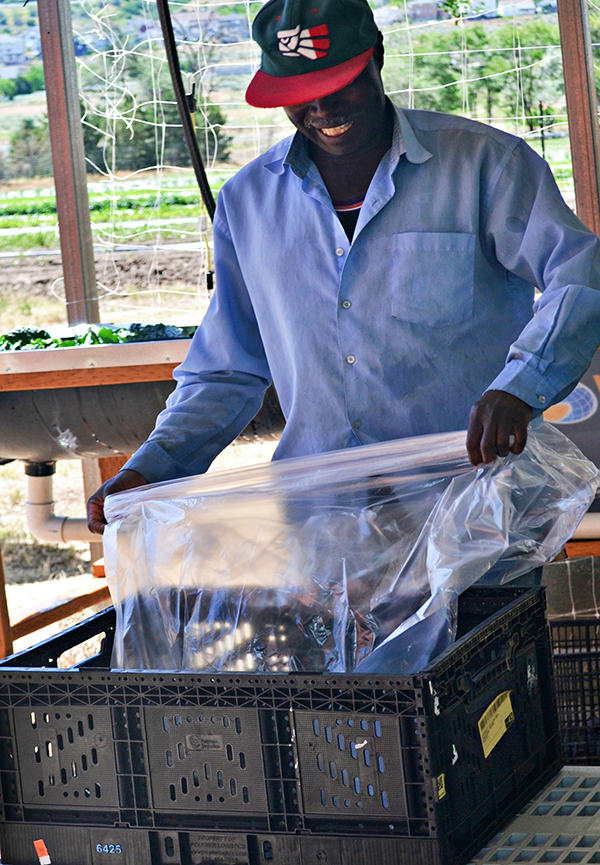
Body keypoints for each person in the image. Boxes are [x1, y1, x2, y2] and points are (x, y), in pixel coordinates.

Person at [88, 0, 600, 535]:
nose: (322, 107)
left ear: (377, 56)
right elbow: (227, 368)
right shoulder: (248, 203)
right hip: (325, 525)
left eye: (339, 83)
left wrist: (520, 385)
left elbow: (579, 274)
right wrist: (152, 467)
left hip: (474, 512)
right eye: (299, 93)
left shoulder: (484, 165)